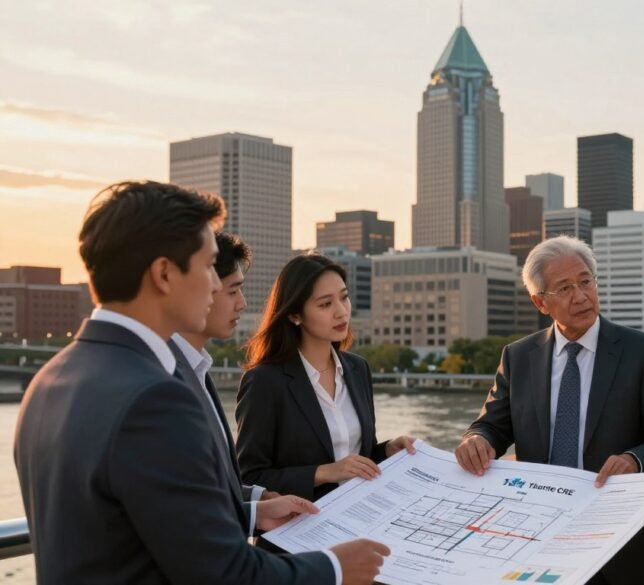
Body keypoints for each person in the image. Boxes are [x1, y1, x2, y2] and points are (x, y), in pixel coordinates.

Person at [14, 181, 388, 585]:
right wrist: (335, 568)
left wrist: (248, 511)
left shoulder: (49, 380)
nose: (217, 285)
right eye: (209, 266)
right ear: (163, 274)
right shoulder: (154, 398)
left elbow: (131, 520)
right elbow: (226, 576)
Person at [454, 235, 644, 585]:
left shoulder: (643, 353)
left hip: (617, 542)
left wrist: (635, 460)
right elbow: (493, 426)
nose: (580, 295)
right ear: (539, 302)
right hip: (537, 540)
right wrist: (476, 438)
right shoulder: (518, 357)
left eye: (585, 281)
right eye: (564, 288)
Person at [236, 253, 415, 505]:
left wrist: (386, 451)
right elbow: (247, 478)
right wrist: (322, 473)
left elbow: (358, 455)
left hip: (360, 518)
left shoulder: (357, 369)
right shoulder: (265, 381)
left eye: (344, 297)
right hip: (298, 532)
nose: (341, 312)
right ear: (295, 315)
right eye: (325, 304)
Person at [169, 231, 274, 537]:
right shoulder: (164, 380)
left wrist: (258, 499)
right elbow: (180, 509)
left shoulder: (195, 366)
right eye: (233, 291)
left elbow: (208, 483)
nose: (242, 304)